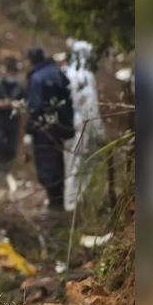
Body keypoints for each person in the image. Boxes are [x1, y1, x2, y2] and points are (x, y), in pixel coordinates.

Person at [25, 46, 74, 212]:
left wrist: (30, 127)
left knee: (46, 165)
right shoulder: (57, 71)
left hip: (44, 130)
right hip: (61, 126)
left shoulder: (37, 78)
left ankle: (55, 204)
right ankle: (59, 201)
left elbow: (35, 107)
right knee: (58, 163)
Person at [64, 40, 105, 211]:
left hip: (70, 123)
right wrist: (99, 131)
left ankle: (73, 200)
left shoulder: (67, 72)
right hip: (83, 124)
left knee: (72, 162)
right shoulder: (86, 77)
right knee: (82, 161)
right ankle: (73, 203)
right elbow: (90, 106)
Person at [0, 56, 26, 190]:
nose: (12, 75)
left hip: (13, 119)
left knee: (11, 145)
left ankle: (7, 168)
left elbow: (26, 101)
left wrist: (19, 105)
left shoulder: (20, 86)